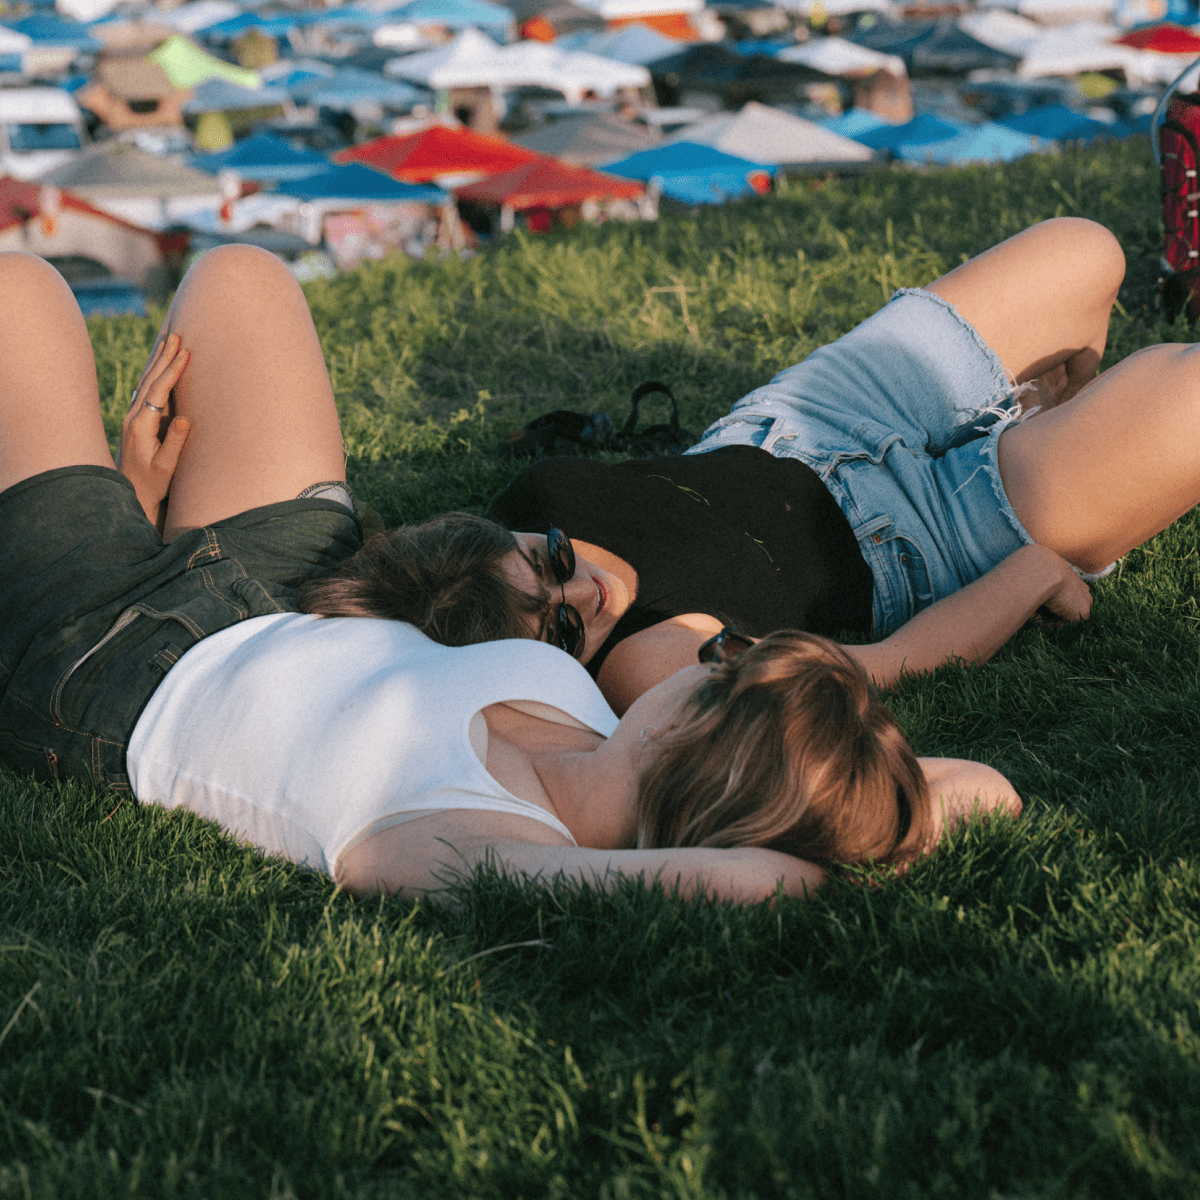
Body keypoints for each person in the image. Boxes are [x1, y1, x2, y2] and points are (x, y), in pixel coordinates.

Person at [0, 247, 1018, 904]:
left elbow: (763, 879)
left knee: (16, 292)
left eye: (730, 669)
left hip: (110, 657)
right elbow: (987, 792)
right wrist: (880, 803)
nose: (715, 650)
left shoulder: (467, 839)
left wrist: (792, 852)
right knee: (241, 280)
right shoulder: (611, 731)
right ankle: (129, 496)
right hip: (288, 589)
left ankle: (102, 503)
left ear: (701, 745)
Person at [483, 217, 1180, 714]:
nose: (584, 595)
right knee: (1189, 398)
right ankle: (1049, 449)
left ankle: (1048, 422)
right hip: (918, 539)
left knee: (1084, 251)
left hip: (801, 420)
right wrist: (1034, 572)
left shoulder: (476, 555)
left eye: (551, 565)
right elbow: (882, 668)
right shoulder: (649, 666)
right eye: (562, 632)